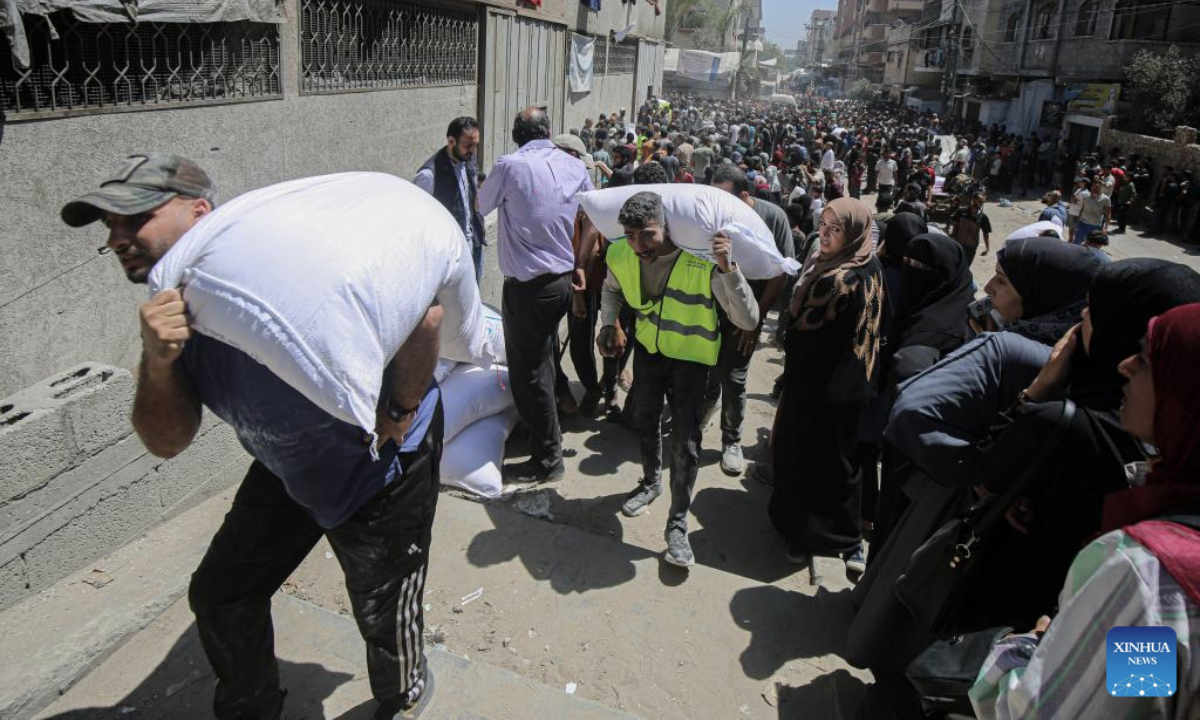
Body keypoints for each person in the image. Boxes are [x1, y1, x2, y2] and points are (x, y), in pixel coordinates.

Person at [63, 154, 444, 719]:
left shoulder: (285, 270)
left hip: (380, 465)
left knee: (383, 606)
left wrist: (399, 408)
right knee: (220, 594)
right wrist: (159, 360)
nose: (118, 236)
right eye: (108, 226)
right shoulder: (171, 312)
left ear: (200, 212)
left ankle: (404, 689)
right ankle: (252, 708)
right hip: (285, 466)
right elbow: (166, 441)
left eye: (134, 216)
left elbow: (428, 315)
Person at [971, 302, 1200, 720]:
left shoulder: (1147, 575)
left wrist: (1026, 647)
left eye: (1148, 360)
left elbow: (1047, 712)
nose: (1125, 366)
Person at [597, 191, 759, 567]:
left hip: (691, 361)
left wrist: (728, 269)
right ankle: (651, 482)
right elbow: (611, 288)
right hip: (650, 353)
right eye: (632, 236)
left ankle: (678, 524)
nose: (639, 246)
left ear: (666, 227)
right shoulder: (621, 252)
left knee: (686, 442)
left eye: (648, 235)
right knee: (645, 420)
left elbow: (748, 320)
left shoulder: (701, 261)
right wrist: (609, 322)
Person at [478, 107, 594, 483]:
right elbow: (593, 215)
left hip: (529, 289)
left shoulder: (510, 166)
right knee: (543, 363)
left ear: (515, 133)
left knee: (529, 375)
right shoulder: (574, 165)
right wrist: (579, 263)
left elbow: (479, 206)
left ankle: (547, 460)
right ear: (548, 131)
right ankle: (547, 435)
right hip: (561, 283)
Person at [769, 197, 883, 573]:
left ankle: (802, 536)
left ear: (853, 233)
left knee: (805, 458)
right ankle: (847, 539)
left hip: (818, 388)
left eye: (836, 229)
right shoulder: (870, 264)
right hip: (855, 384)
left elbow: (801, 336)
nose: (825, 234)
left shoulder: (836, 278)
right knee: (843, 463)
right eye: (824, 226)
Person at [707, 165, 794, 475]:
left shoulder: (772, 217)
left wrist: (755, 321)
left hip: (747, 313)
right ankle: (704, 411)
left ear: (745, 196)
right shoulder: (712, 212)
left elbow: (780, 271)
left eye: (724, 198)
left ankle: (731, 440)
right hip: (709, 309)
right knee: (707, 372)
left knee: (734, 377)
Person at [414, 116, 486, 282]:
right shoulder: (429, 176)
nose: (473, 151)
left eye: (476, 145)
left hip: (473, 245)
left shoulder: (468, 158)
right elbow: (417, 221)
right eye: (468, 145)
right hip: (450, 255)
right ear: (451, 141)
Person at [949, 190, 992, 260]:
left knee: (965, 267)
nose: (981, 204)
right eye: (980, 202)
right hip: (958, 243)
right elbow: (955, 226)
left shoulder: (983, 217)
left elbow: (986, 233)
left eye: (983, 202)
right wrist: (952, 238)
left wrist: (987, 248)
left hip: (971, 247)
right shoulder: (961, 211)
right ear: (973, 199)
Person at [1073, 178, 1112, 245]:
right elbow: (1082, 208)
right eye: (1093, 186)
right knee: (1077, 242)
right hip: (1082, 223)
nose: (1094, 188)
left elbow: (1108, 214)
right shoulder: (1085, 195)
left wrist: (1105, 228)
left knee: (1091, 245)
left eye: (1097, 187)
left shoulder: (1106, 199)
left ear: (1101, 188)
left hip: (1095, 226)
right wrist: (1077, 222)